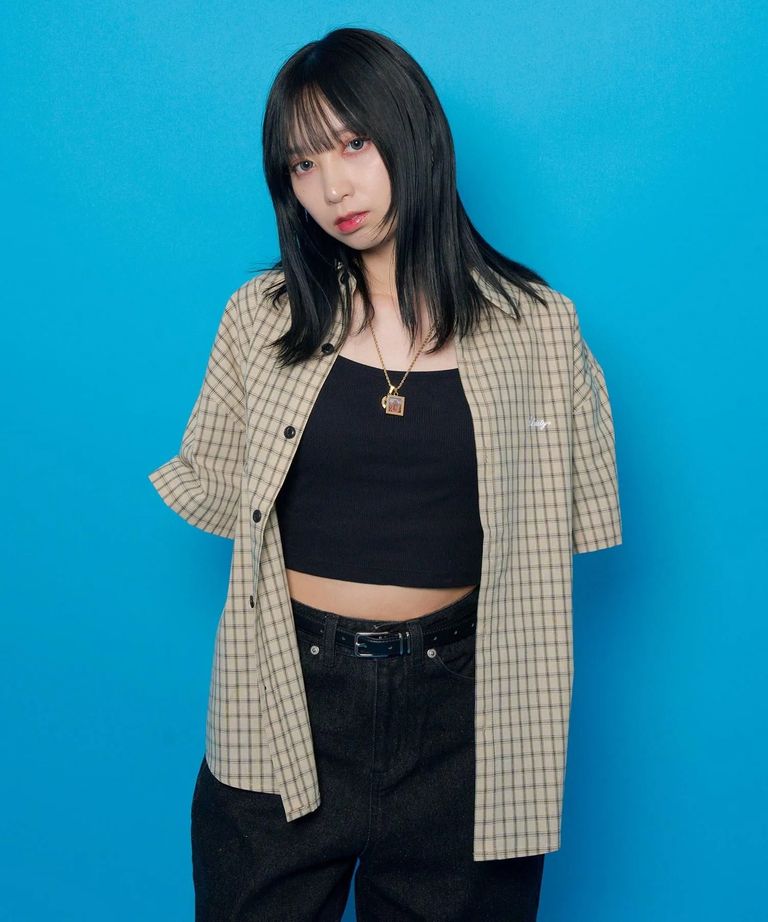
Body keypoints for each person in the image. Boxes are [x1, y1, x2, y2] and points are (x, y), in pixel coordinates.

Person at [148, 26, 622, 922]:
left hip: (468, 718)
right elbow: (219, 489)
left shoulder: (542, 331)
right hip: (284, 696)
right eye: (301, 164)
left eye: (354, 144)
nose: (332, 187)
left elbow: (555, 536)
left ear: (413, 133)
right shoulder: (260, 318)